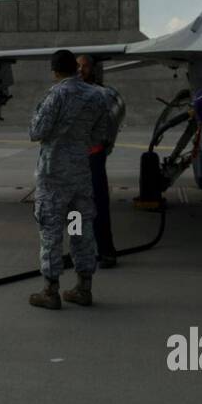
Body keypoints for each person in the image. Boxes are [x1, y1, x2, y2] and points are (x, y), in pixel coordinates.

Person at [28, 49, 110, 310]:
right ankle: (83, 287)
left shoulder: (57, 94)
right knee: (80, 228)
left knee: (51, 230)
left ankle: (51, 291)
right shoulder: (97, 95)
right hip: (80, 173)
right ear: (75, 68)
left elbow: (37, 131)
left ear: (55, 70)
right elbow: (100, 135)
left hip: (53, 176)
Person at [77, 54, 127, 268]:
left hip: (92, 158)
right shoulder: (66, 94)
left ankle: (106, 251)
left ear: (93, 69)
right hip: (73, 161)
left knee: (98, 206)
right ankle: (79, 251)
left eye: (85, 66)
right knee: (74, 211)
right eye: (77, 66)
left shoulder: (103, 95)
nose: (80, 70)